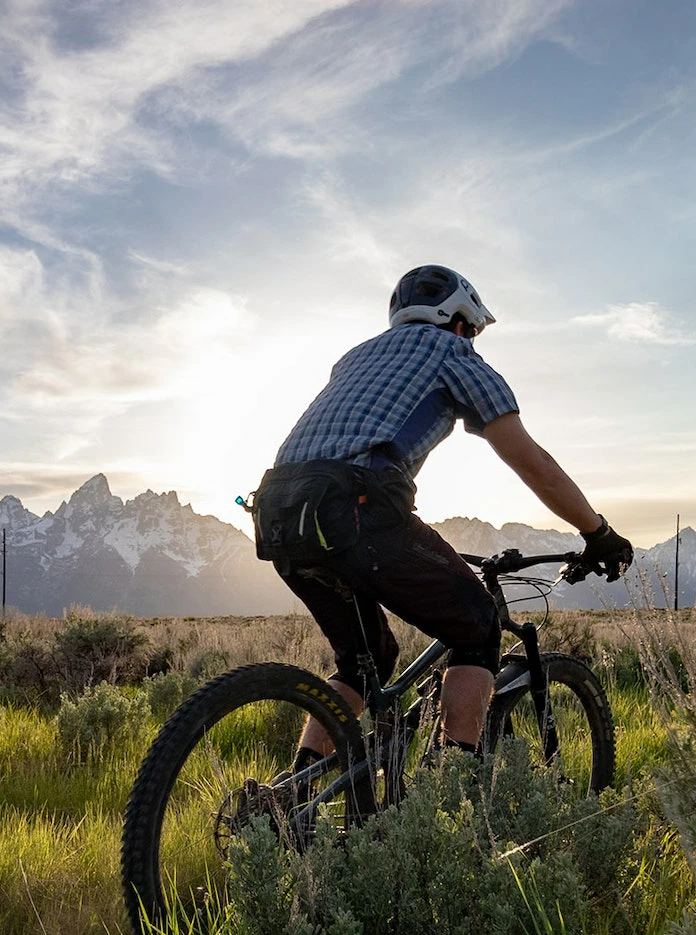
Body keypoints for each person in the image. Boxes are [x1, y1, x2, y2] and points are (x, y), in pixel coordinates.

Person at [249, 264, 632, 773]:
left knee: (363, 665)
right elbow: (532, 462)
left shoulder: (355, 357)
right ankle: (449, 789)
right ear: (459, 321)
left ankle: (290, 796)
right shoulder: (453, 352)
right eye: (471, 330)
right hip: (358, 507)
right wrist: (598, 533)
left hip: (279, 511)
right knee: (477, 628)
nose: (471, 339)